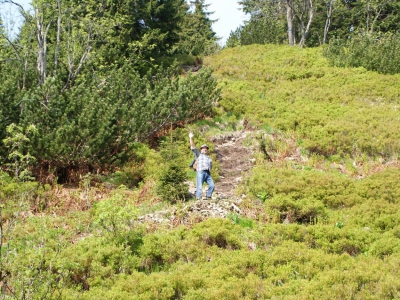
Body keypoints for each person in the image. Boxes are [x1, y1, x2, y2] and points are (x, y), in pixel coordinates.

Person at [189, 132, 215, 200]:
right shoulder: (198, 154)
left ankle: (208, 196)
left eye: (206, 148)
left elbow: (211, 166)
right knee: (199, 186)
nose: (205, 149)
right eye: (203, 148)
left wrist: (210, 172)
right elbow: (193, 147)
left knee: (212, 185)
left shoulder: (209, 158)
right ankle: (198, 198)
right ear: (201, 150)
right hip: (200, 172)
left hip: (208, 173)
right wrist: (191, 137)